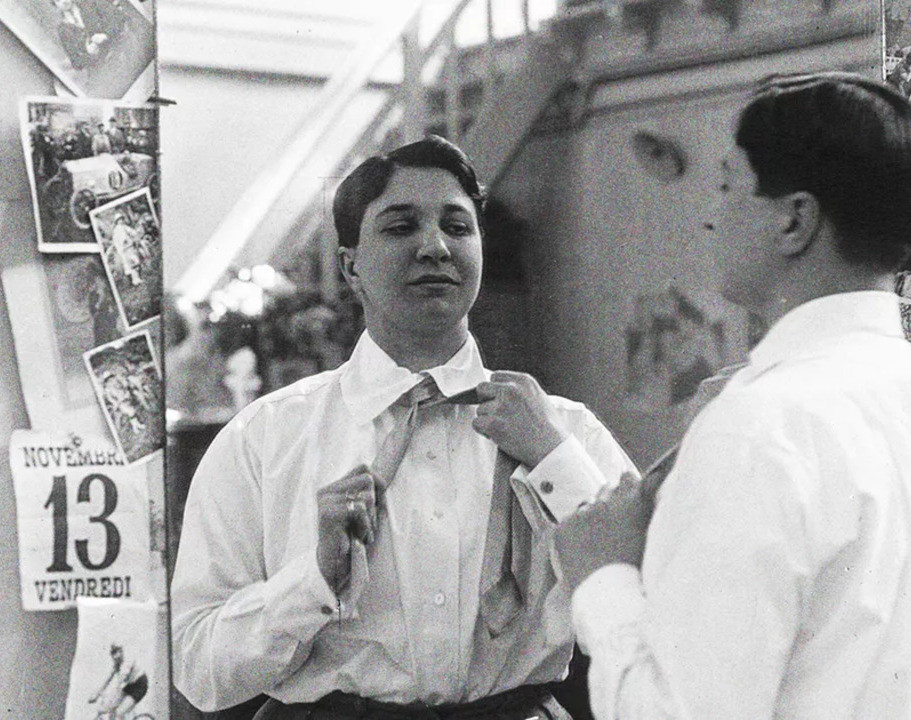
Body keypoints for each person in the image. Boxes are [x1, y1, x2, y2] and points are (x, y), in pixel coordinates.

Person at [555, 73, 911, 719]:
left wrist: (602, 575)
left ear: (795, 219)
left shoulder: (759, 425)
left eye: (726, 187)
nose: (711, 216)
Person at [171, 136, 635, 719]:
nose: (435, 247)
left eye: (457, 227)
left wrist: (556, 464)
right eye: (400, 227)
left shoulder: (566, 432)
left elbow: (658, 613)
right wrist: (313, 582)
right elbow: (197, 667)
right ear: (351, 268)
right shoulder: (264, 440)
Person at [87, 643, 148, 719]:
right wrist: (97, 694)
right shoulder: (117, 662)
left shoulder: (127, 663)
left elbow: (119, 684)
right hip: (129, 686)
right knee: (107, 709)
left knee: (118, 714)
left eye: (117, 653)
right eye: (113, 653)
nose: (115, 657)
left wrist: (109, 697)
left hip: (139, 686)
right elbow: (108, 679)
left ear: (121, 652)